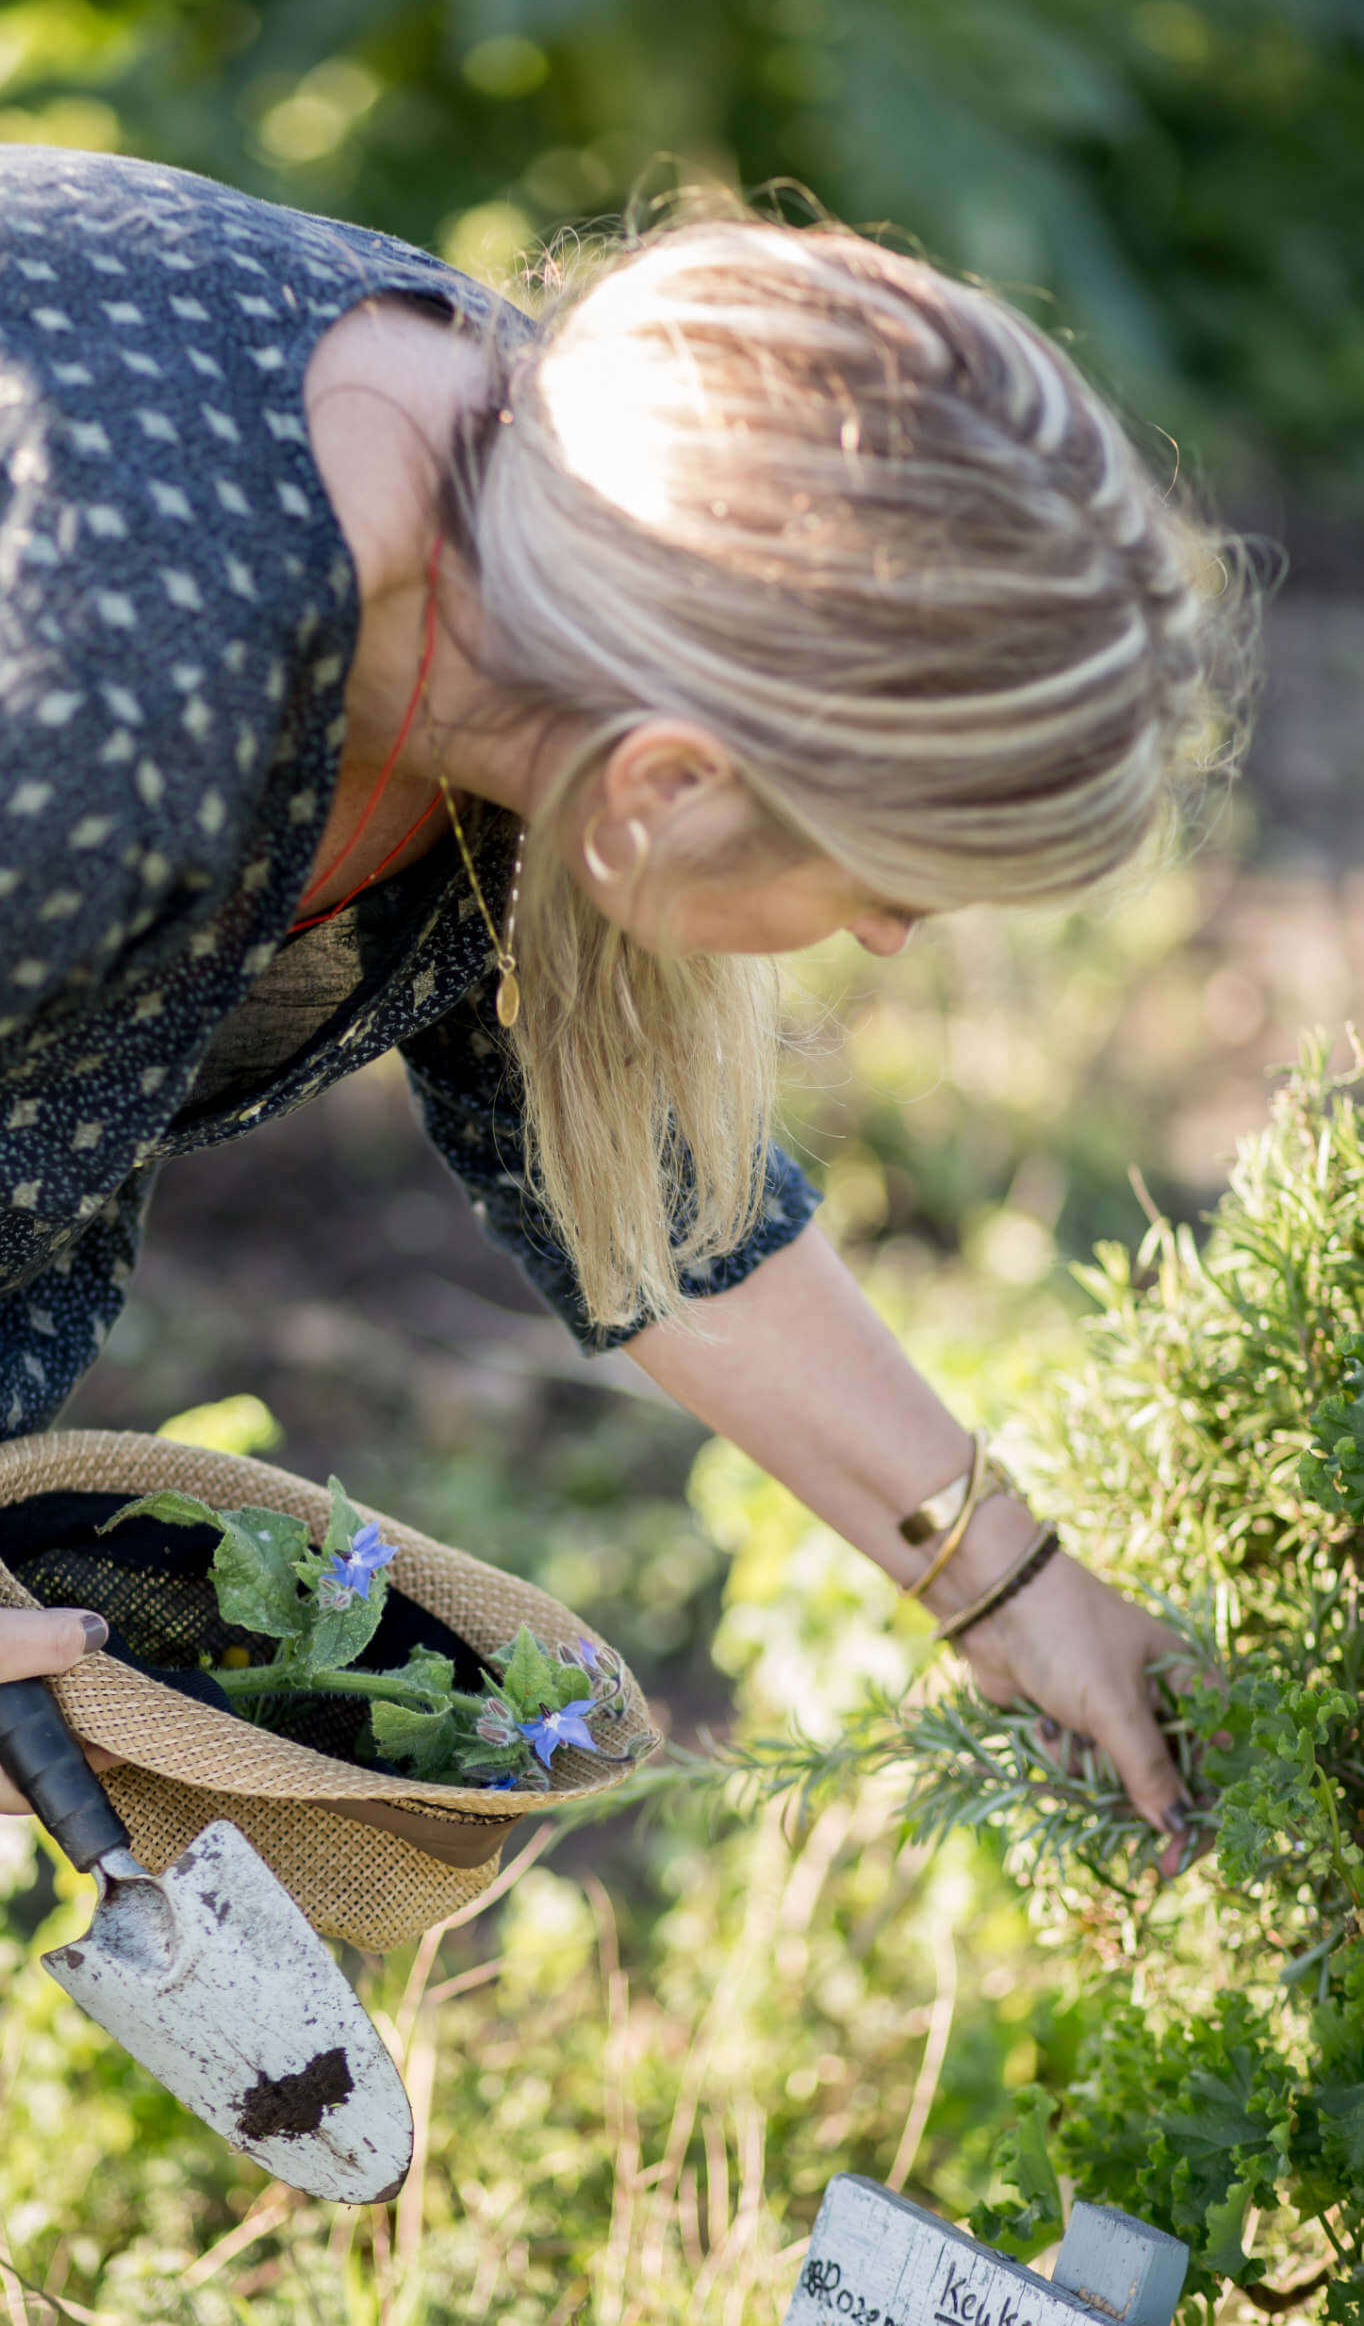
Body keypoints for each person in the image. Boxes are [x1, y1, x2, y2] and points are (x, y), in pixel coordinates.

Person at [0, 145, 1251, 1872]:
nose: (886, 941)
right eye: (886, 881)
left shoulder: (565, 533)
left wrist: (1024, 1593)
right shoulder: (112, 691)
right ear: (666, 779)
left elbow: (664, 1197)